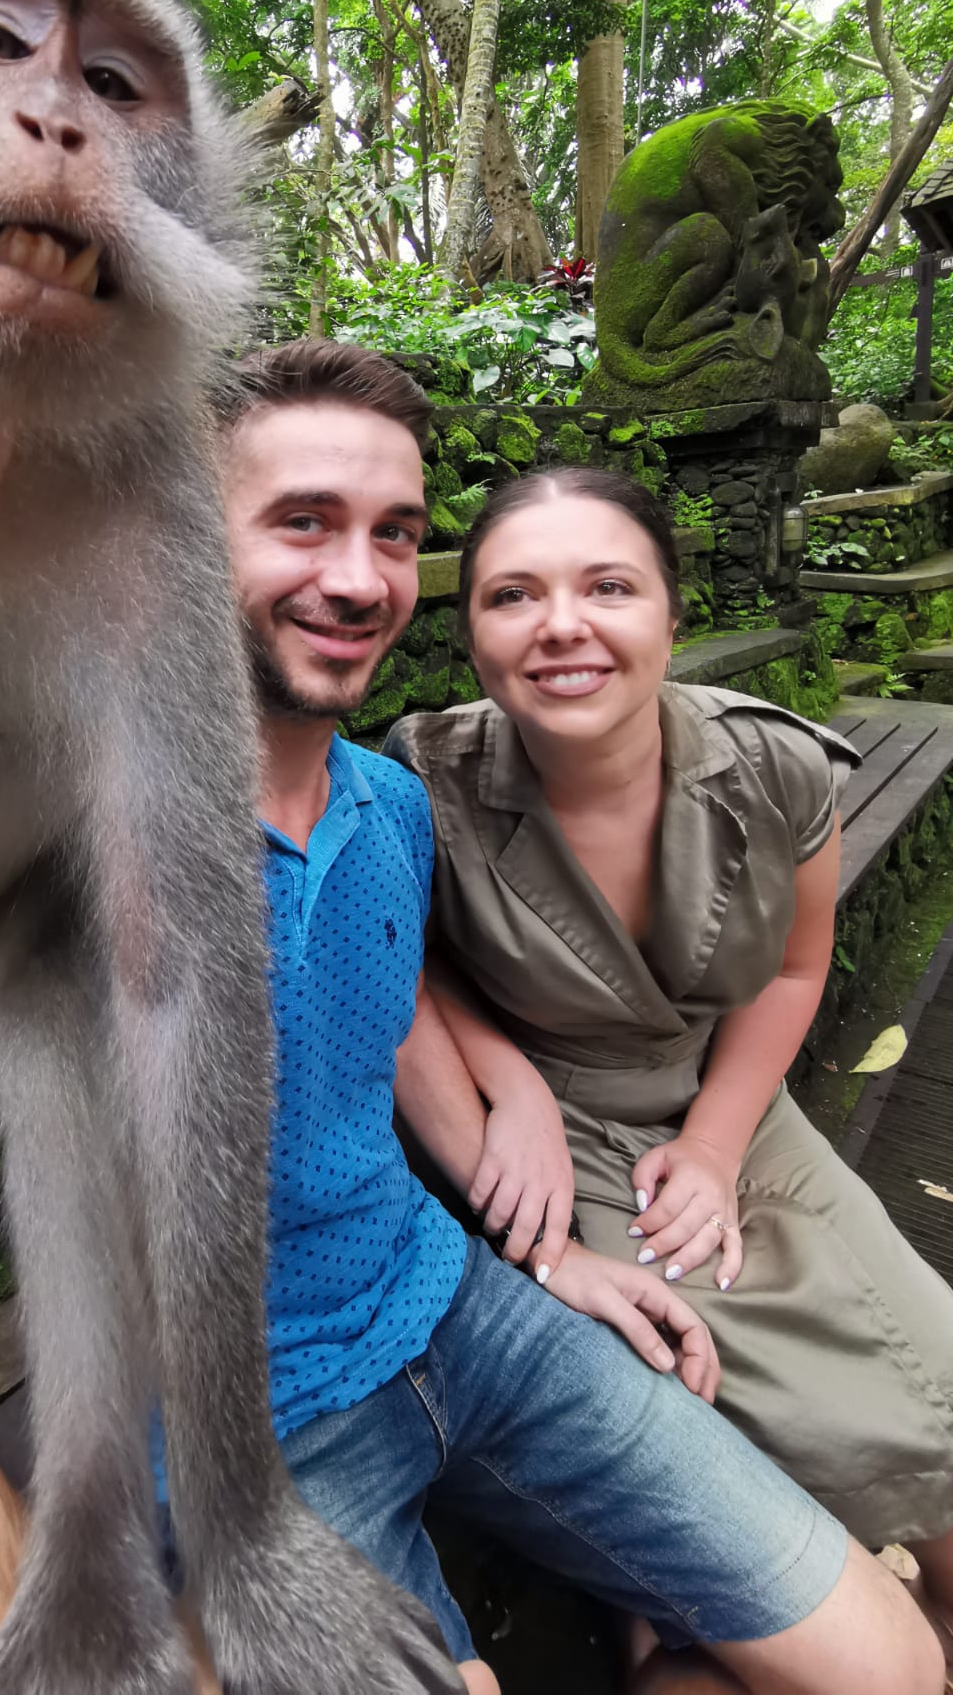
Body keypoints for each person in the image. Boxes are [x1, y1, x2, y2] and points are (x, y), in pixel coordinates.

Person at [0, 340, 943, 1695]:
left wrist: (539, 1223)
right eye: (302, 524)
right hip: (247, 1433)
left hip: (456, 1309)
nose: (358, 580)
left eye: (394, 536)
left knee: (890, 1668)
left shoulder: (391, 808)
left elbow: (384, 1018)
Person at [385, 463, 953, 1667]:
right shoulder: (426, 778)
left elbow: (795, 972)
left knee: (928, 1368)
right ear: (474, 631)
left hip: (730, 1103)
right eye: (513, 595)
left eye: (608, 584)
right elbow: (407, 969)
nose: (562, 625)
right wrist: (513, 1081)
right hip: (565, 1137)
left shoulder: (774, 767)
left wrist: (714, 1140)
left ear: (670, 612)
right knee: (708, 1360)